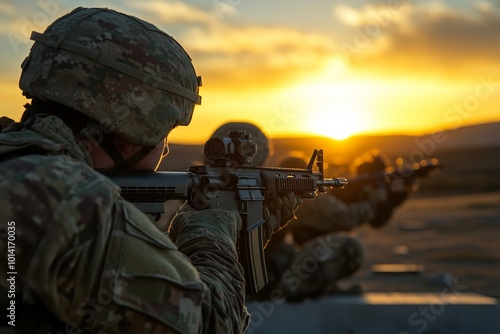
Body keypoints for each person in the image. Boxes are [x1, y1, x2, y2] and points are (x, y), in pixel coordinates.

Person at [0, 7, 301, 333]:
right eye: (164, 135)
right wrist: (210, 234)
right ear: (134, 133)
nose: (166, 149)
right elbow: (210, 323)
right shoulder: (74, 204)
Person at [255, 150, 413, 301]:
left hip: (267, 270)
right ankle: (290, 290)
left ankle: (314, 288)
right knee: (350, 247)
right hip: (270, 275)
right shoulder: (300, 198)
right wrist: (374, 199)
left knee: (318, 239)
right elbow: (346, 217)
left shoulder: (274, 196)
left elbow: (368, 221)